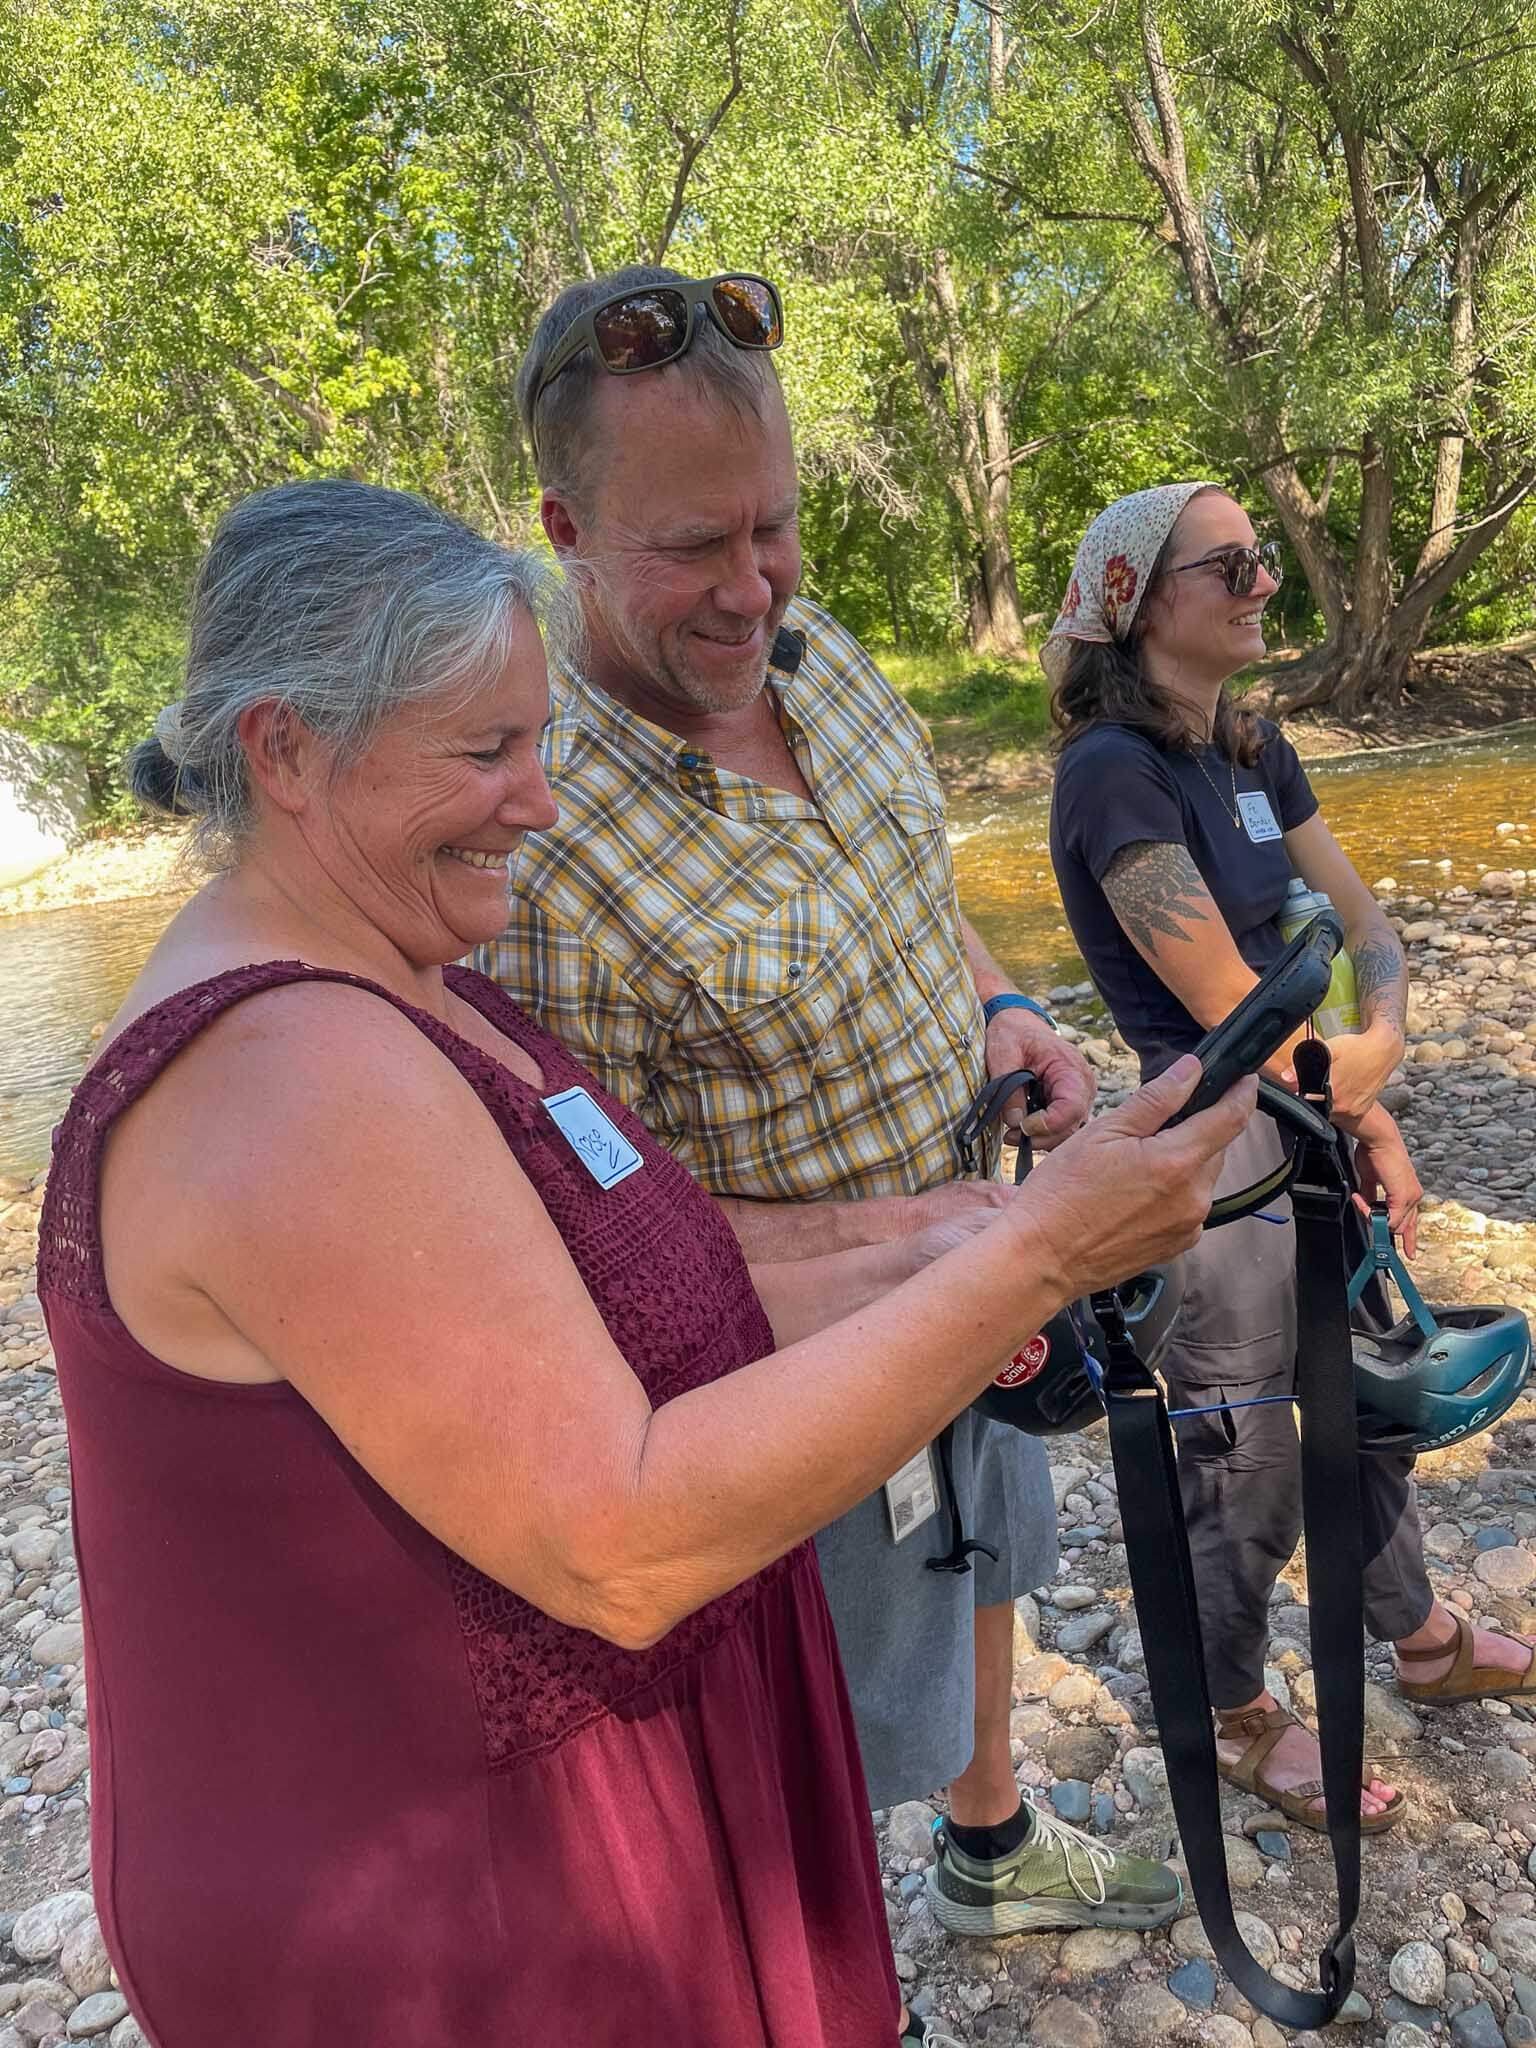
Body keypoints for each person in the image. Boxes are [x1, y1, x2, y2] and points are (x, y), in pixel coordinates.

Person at [36, 478, 1245, 2048]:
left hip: (569, 1864)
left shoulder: (402, 969)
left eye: (535, 740)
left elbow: (641, 1283)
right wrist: (1030, 1269)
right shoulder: (288, 1071)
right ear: (285, 751)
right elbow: (619, 1539)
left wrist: (985, 1225)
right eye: (484, 752)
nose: (538, 802)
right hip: (460, 1931)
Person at [477, 264, 1184, 1940]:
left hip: (996, 1243)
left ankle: (994, 1846)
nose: (751, 591)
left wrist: (1005, 1009)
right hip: (804, 1355)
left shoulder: (821, 646)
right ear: (566, 532)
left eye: (773, 528)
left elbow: (903, 883)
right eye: (692, 550)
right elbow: (595, 1239)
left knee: (997, 1556)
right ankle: (835, 1970)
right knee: (818, 1703)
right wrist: (913, 1248)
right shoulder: (532, 839)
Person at [1045, 481, 1536, 1835]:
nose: (1264, 582)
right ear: (1138, 603)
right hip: (1212, 1169)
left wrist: (1376, 1060)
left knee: (1367, 1394)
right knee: (1243, 1443)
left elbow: (1365, 924)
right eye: (1233, 565)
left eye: (1263, 559)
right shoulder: (1111, 776)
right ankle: (1239, 1711)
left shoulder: (1252, 744)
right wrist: (1353, 1089)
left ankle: (1423, 1642)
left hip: (1309, 1120)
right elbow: (1228, 1009)